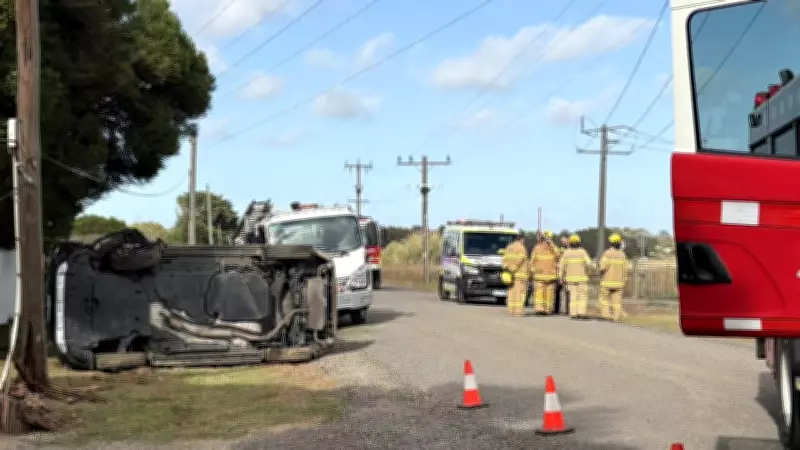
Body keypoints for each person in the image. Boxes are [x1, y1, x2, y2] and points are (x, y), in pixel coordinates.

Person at [558, 234, 593, 320]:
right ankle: (582, 313)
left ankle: (573, 313)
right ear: (579, 242)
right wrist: (589, 273)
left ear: (570, 243)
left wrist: (560, 277)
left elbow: (561, 266)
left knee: (573, 296)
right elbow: (589, 264)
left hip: (570, 279)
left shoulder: (566, 253)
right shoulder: (582, 252)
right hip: (582, 279)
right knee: (582, 296)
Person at [598, 233, 628, 321]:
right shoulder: (622, 255)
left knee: (604, 300)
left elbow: (603, 267)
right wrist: (624, 280)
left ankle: (606, 315)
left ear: (611, 243)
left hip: (607, 282)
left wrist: (601, 273)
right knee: (617, 302)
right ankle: (616, 317)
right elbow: (625, 270)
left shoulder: (607, 253)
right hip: (619, 283)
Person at [530, 230, 561, 315]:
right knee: (545, 294)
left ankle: (541, 309)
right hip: (549, 276)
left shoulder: (538, 248)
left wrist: (533, 272)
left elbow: (532, 261)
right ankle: (544, 309)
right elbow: (532, 262)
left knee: (543, 294)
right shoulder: (551, 248)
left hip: (543, 276)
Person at [501, 231, 529, 316]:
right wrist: (513, 269)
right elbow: (519, 260)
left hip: (509, 275)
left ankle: (511, 310)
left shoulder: (509, 247)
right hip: (520, 275)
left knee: (511, 292)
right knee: (520, 294)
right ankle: (518, 311)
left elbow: (504, 260)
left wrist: (507, 269)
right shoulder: (521, 248)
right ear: (522, 239)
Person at [553, 236, 570, 315]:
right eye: (562, 241)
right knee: (557, 291)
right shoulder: (561, 249)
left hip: (568, 273)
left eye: (564, 241)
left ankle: (568, 310)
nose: (563, 242)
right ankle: (556, 309)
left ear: (568, 240)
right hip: (560, 272)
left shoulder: (571, 250)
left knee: (568, 292)